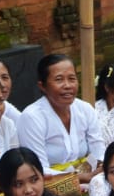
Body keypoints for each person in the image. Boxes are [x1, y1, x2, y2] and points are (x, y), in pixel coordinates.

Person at [17, 55, 105, 184]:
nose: (67, 85)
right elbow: (37, 168)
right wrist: (79, 178)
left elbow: (99, 149)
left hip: (91, 179)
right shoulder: (32, 117)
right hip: (50, 184)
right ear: (42, 86)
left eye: (72, 79)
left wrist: (99, 169)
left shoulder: (85, 109)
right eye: (59, 80)